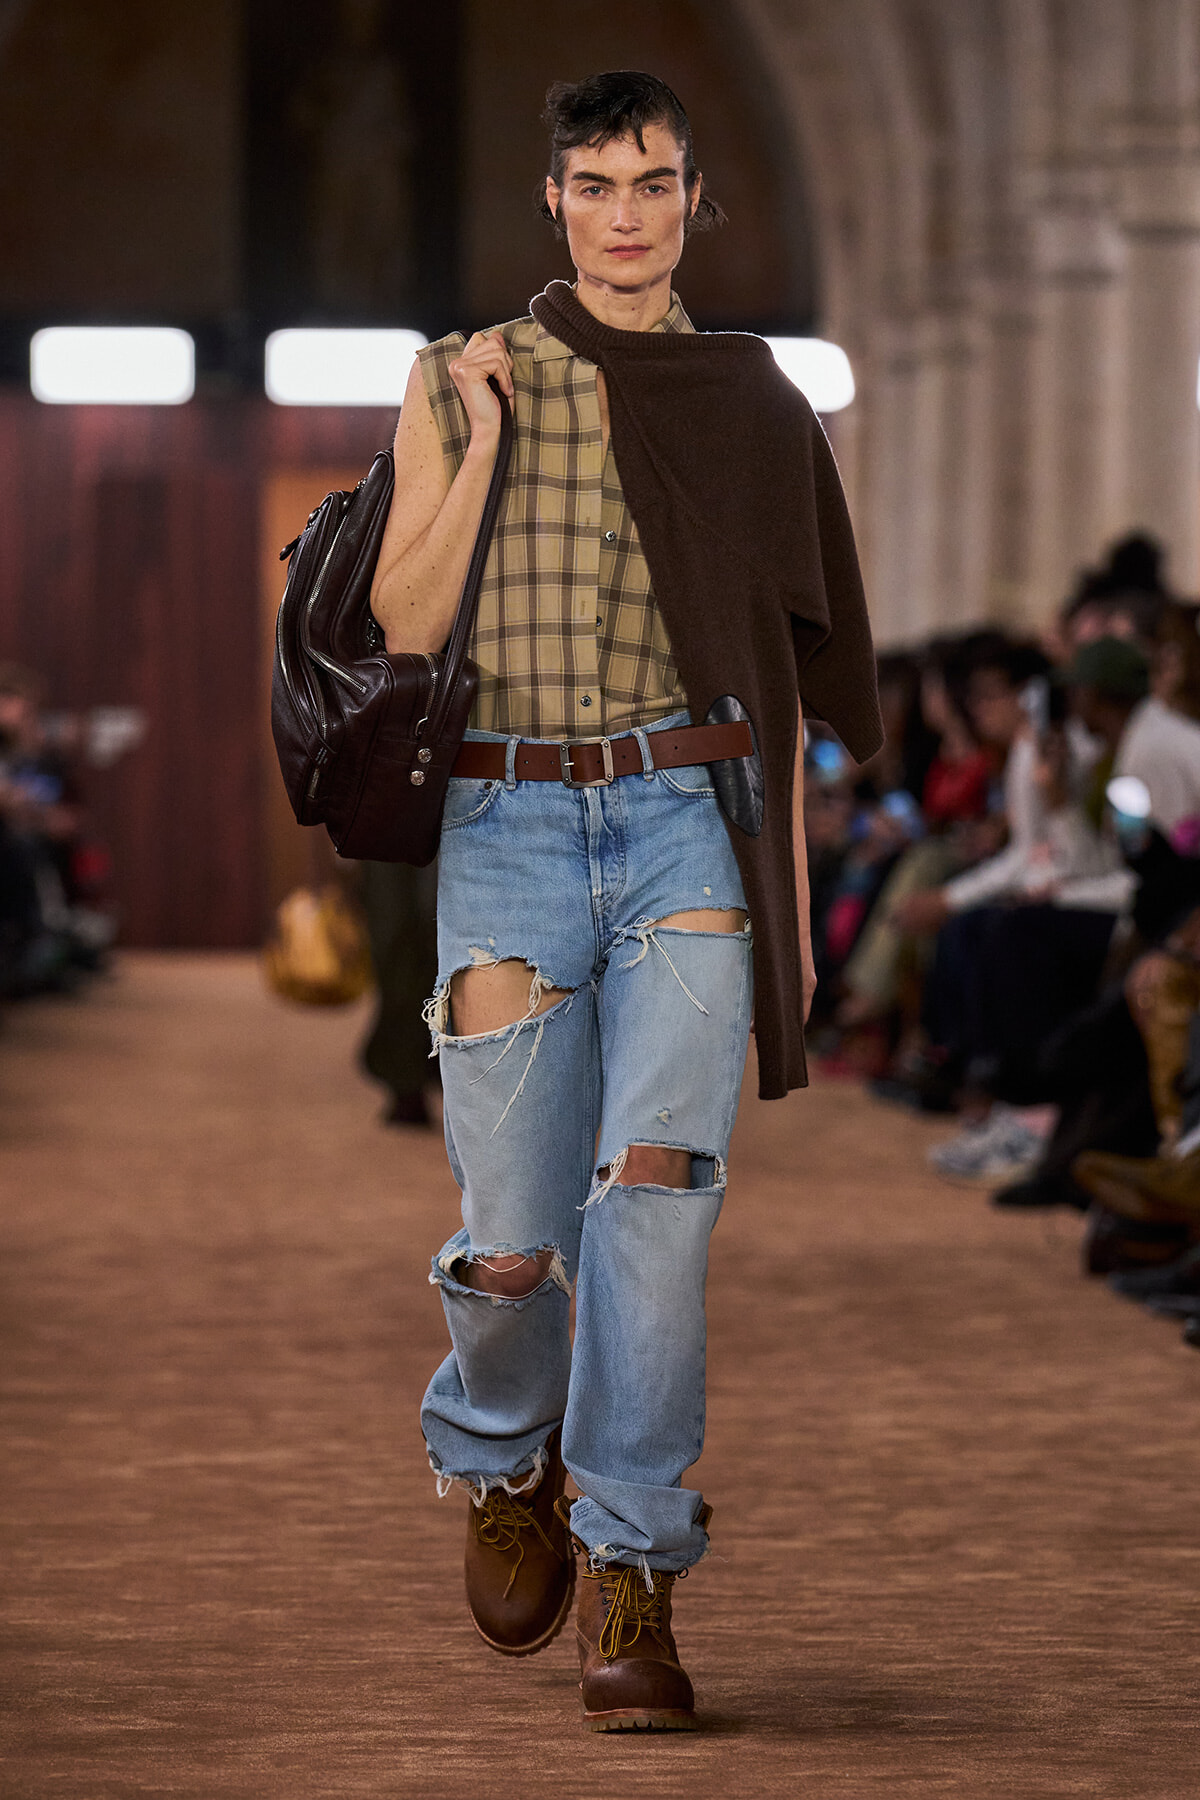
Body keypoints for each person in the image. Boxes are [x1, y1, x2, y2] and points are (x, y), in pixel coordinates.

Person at [368, 71, 881, 1731]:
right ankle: (501, 1452)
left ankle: (636, 1570)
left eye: (654, 181)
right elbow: (401, 615)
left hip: (684, 822)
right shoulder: (461, 378)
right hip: (507, 819)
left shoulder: (749, 397)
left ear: (692, 199)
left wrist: (785, 879)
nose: (627, 211)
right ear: (557, 201)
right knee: (516, 1241)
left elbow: (794, 668)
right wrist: (493, 438)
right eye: (595, 184)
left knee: (655, 1200)